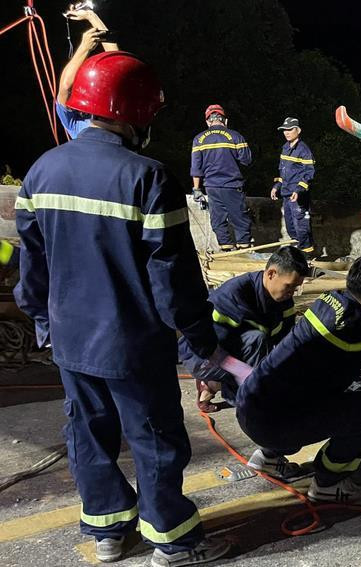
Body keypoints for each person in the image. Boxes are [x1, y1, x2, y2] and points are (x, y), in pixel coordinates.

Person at [14, 51, 229, 566]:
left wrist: (45, 323)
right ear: (138, 113)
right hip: (134, 344)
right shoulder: (149, 178)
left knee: (88, 435)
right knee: (153, 439)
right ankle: (173, 541)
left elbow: (31, 269)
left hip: (70, 341)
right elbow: (173, 280)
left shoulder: (42, 170)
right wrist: (201, 342)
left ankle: (108, 531)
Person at [236, 254, 361, 505]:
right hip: (272, 424)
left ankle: (268, 457)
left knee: (310, 391)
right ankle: (329, 483)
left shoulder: (328, 301)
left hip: (250, 404)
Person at [178, 246, 309, 413]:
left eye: (296, 287)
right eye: (289, 286)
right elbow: (207, 347)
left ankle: (213, 385)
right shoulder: (233, 295)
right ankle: (238, 396)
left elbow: (287, 342)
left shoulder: (284, 301)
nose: (292, 293)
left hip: (238, 353)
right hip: (202, 356)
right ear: (271, 274)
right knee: (257, 340)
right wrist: (248, 374)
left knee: (272, 361)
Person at [190, 105, 254, 251]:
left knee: (218, 220)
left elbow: (196, 167)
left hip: (212, 187)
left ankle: (226, 249)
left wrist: (196, 189)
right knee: (240, 219)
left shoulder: (199, 139)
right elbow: (246, 160)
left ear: (208, 121)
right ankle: (244, 249)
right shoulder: (236, 136)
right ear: (225, 120)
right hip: (232, 185)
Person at [56, 4, 119, 140]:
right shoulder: (120, 120)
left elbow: (117, 63)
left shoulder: (78, 125)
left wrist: (91, 16)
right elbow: (117, 63)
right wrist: (92, 18)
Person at [270, 117, 316, 255]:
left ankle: (306, 256)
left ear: (298, 130)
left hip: (298, 196)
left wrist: (298, 190)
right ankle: (297, 254)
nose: (287, 132)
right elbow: (283, 172)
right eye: (285, 130)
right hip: (286, 194)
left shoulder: (304, 150)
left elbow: (309, 173)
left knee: (301, 227)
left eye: (290, 129)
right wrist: (276, 186)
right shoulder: (285, 148)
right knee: (291, 227)